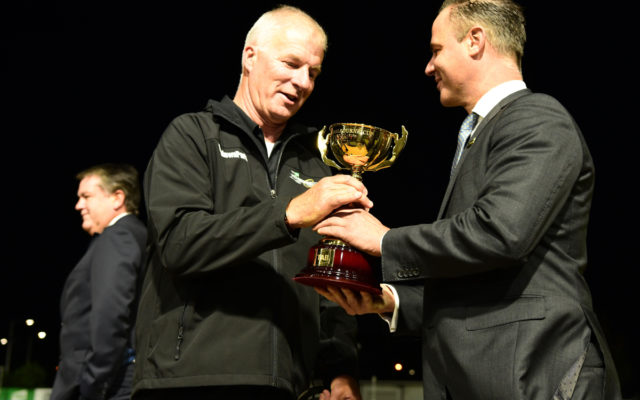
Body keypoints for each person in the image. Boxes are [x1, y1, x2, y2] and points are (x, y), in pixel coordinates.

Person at [313, 0, 623, 399]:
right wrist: (390, 301)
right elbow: (480, 278)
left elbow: (500, 232)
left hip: (534, 374)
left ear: (475, 41)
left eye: (436, 49)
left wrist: (385, 240)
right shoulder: (483, 131)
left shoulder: (537, 118)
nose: (428, 66)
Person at [132, 5, 369, 400]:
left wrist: (340, 370)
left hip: (289, 386)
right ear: (249, 56)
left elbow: (328, 284)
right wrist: (289, 214)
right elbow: (179, 243)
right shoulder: (192, 136)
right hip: (189, 381)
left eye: (313, 72)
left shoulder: (317, 161)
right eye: (291, 63)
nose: (302, 82)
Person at [51, 163, 147, 400]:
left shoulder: (119, 236)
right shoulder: (133, 235)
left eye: (86, 196)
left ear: (117, 198)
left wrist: (93, 384)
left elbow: (111, 314)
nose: (78, 205)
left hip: (108, 384)